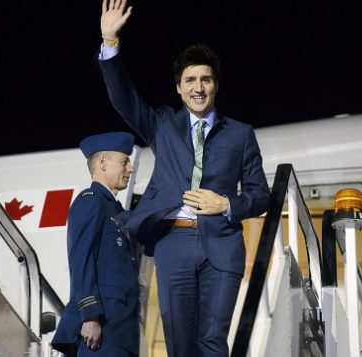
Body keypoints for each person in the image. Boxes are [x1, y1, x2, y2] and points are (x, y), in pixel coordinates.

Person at [97, 1, 270, 356]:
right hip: (174, 244)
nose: (198, 87)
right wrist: (110, 42)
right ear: (178, 88)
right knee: (180, 347)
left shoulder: (240, 134)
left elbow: (260, 194)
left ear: (216, 85)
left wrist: (226, 204)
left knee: (212, 341)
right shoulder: (162, 126)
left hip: (221, 245)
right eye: (190, 80)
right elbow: (124, 100)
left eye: (206, 79)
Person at [52, 131, 140, 357]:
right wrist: (90, 315)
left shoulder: (117, 211)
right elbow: (81, 259)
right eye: (124, 161)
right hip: (101, 332)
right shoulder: (91, 201)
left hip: (122, 333)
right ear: (102, 162)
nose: (130, 169)